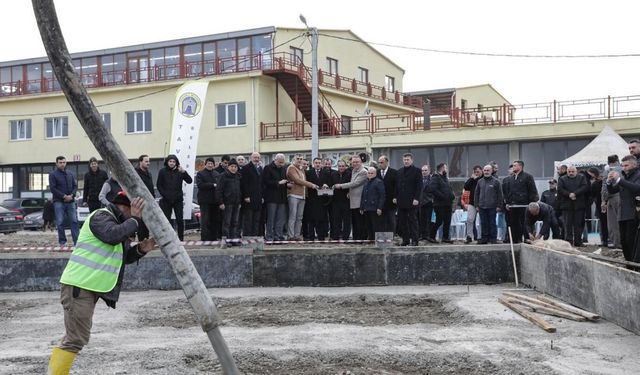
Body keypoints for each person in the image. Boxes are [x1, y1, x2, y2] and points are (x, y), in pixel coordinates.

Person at [46, 192, 155, 374]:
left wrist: (141, 250)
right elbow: (112, 236)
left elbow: (123, 257)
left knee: (76, 338)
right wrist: (135, 219)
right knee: (75, 339)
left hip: (89, 287)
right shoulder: (101, 216)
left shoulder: (119, 224)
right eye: (136, 211)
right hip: (79, 286)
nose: (139, 216)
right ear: (126, 207)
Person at [607, 155, 640, 262]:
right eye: (622, 165)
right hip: (622, 214)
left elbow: (636, 188)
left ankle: (635, 264)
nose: (624, 168)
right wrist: (609, 182)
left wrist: (619, 180)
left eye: (626, 165)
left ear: (634, 165)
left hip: (634, 213)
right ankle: (629, 263)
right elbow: (613, 191)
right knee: (624, 241)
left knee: (632, 241)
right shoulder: (624, 176)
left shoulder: (638, 175)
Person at [156, 154, 193, 241]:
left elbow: (190, 181)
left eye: (174, 161)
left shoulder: (180, 171)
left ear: (176, 163)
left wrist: (184, 172)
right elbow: (159, 185)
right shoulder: (162, 171)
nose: (172, 163)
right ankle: (168, 238)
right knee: (167, 221)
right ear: (167, 162)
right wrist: (165, 195)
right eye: (170, 161)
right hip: (166, 200)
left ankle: (181, 238)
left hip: (178, 200)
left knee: (179, 220)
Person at [502, 160, 538, 244]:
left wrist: (531, 203)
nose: (513, 167)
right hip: (513, 205)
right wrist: (507, 202)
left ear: (520, 166)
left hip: (524, 205)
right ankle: (516, 240)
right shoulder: (510, 179)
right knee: (514, 224)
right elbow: (508, 192)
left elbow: (532, 191)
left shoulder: (528, 177)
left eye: (515, 165)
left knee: (525, 223)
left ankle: (526, 239)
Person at [334, 155, 368, 240]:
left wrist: (340, 186)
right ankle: (356, 238)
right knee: (355, 222)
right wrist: (349, 192)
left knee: (360, 222)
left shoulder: (363, 171)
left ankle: (361, 239)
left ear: (360, 162)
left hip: (359, 200)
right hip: (352, 200)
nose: (355, 164)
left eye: (357, 162)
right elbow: (352, 184)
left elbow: (355, 183)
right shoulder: (354, 170)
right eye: (353, 162)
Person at [49, 156, 80, 246]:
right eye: (60, 162)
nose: (62, 164)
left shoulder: (70, 174)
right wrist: (64, 196)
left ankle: (76, 242)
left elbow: (75, 186)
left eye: (64, 162)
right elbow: (53, 188)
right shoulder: (53, 174)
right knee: (60, 222)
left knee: (74, 221)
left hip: (71, 202)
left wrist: (72, 195)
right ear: (56, 163)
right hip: (59, 201)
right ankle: (62, 242)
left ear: (66, 163)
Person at [286, 154, 318, 240]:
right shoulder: (291, 168)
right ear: (293, 159)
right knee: (292, 216)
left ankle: (296, 235)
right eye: (298, 159)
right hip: (293, 194)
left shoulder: (301, 169)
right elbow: (297, 180)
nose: (299, 160)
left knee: (299, 217)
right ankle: (290, 235)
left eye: (301, 159)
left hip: (302, 196)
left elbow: (303, 181)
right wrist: (311, 185)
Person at [393, 153, 422, 246]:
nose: (406, 161)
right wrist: (395, 197)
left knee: (413, 221)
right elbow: (396, 186)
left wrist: (416, 198)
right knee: (402, 221)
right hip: (401, 200)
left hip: (412, 201)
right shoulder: (399, 171)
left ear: (412, 160)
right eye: (404, 159)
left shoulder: (417, 171)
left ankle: (415, 240)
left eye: (408, 159)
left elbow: (419, 186)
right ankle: (405, 240)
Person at [558, 165, 588, 246]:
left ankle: (578, 241)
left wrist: (575, 193)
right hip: (566, 205)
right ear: (567, 172)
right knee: (567, 225)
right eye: (569, 172)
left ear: (576, 171)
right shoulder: (562, 178)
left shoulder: (581, 177)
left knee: (578, 224)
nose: (571, 173)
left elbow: (584, 187)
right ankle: (569, 242)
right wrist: (569, 194)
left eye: (572, 171)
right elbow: (560, 189)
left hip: (579, 204)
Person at [474, 165, 503, 244]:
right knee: (483, 223)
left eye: (488, 170)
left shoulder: (496, 182)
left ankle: (493, 238)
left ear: (491, 171)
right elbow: (476, 194)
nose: (486, 172)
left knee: (492, 223)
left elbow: (500, 195)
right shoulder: (480, 181)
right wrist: (476, 205)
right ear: (483, 171)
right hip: (482, 206)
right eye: (485, 170)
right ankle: (484, 238)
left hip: (492, 207)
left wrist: (499, 205)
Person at [262, 154, 288, 241]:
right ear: (275, 160)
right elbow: (266, 181)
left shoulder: (283, 169)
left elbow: (284, 180)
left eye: (282, 162)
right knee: (271, 218)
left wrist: (287, 184)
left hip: (282, 197)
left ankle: (278, 235)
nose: (281, 164)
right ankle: (269, 236)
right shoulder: (268, 168)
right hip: (271, 197)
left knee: (280, 219)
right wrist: (278, 183)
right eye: (280, 162)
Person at [305, 157, 331, 240]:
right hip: (311, 198)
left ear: (322, 164)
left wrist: (326, 185)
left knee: (321, 219)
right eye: (316, 163)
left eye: (319, 163)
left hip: (321, 199)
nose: (317, 164)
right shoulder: (308, 173)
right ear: (313, 164)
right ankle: (311, 237)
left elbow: (329, 183)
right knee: (311, 219)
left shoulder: (326, 173)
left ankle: (321, 236)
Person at [217, 158, 242, 243]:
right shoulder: (223, 176)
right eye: (232, 166)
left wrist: (239, 202)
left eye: (235, 166)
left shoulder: (238, 176)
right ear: (228, 167)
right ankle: (226, 240)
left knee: (235, 222)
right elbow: (219, 190)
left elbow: (240, 190)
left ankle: (233, 239)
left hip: (236, 202)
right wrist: (220, 202)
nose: (233, 168)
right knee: (226, 223)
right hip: (227, 203)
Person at [428, 163, 455, 243]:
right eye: (445, 168)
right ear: (442, 168)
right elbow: (432, 189)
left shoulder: (445, 178)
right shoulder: (435, 177)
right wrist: (442, 196)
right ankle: (431, 236)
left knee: (447, 221)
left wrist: (452, 195)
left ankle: (445, 238)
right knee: (439, 221)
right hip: (439, 204)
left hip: (448, 203)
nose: (446, 170)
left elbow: (449, 188)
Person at [196, 157, 221, 241]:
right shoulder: (200, 174)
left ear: (214, 165)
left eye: (211, 164)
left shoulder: (217, 174)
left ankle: (214, 237)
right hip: (204, 201)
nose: (210, 165)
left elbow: (220, 186)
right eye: (208, 163)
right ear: (205, 164)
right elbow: (200, 185)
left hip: (215, 201)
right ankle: (205, 238)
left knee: (214, 220)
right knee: (205, 220)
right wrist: (213, 185)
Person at [241, 152, 263, 236]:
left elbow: (261, 183)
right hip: (249, 198)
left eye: (258, 157)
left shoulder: (260, 168)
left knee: (257, 219)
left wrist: (262, 196)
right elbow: (244, 183)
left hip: (258, 197)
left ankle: (255, 236)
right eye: (255, 157)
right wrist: (246, 196)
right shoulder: (246, 168)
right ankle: (247, 237)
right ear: (251, 158)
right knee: (248, 219)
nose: (256, 159)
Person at [601, 155, 621, 248]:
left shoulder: (608, 170)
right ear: (617, 160)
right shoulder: (623, 169)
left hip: (612, 198)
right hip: (623, 197)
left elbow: (605, 187)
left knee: (613, 223)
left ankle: (617, 243)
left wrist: (603, 201)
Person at [360, 167, 385, 240]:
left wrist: (380, 207)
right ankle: (370, 238)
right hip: (366, 208)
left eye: (372, 173)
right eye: (369, 173)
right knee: (368, 225)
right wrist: (362, 207)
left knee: (376, 225)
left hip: (374, 208)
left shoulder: (378, 182)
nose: (370, 174)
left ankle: (376, 239)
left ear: (375, 174)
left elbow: (382, 195)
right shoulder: (366, 182)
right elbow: (363, 195)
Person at [330, 160, 352, 240]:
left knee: (347, 221)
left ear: (345, 166)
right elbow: (330, 185)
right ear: (337, 167)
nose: (341, 168)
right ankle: (336, 237)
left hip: (346, 201)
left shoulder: (350, 174)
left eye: (343, 166)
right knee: (336, 220)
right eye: (340, 166)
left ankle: (345, 237)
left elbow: (352, 185)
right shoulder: (333, 174)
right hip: (336, 201)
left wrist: (350, 192)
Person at [134, 154, 154, 241]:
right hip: (140, 201)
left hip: (149, 201)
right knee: (140, 221)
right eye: (146, 161)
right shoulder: (135, 173)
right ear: (140, 162)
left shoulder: (149, 173)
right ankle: (142, 240)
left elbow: (151, 187)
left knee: (148, 222)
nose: (148, 163)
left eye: (149, 161)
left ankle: (146, 238)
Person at [377, 155, 397, 233]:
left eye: (382, 162)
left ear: (387, 162)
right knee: (381, 220)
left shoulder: (394, 172)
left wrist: (395, 197)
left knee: (391, 220)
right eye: (379, 163)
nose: (380, 164)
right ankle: (383, 237)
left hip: (391, 201)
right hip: (380, 201)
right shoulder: (377, 172)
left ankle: (391, 236)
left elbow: (396, 186)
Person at [462, 165, 482, 243]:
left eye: (478, 172)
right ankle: (469, 236)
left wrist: (476, 179)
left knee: (480, 221)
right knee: (470, 219)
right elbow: (466, 187)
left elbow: (480, 186)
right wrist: (471, 178)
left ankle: (480, 237)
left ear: (481, 171)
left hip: (481, 203)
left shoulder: (483, 179)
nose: (476, 173)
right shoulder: (472, 179)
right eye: (475, 172)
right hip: (472, 203)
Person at [419, 165, 435, 243]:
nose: (424, 172)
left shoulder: (432, 179)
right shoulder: (419, 179)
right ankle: (422, 235)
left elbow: (434, 190)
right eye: (422, 171)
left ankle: (428, 235)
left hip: (429, 202)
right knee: (421, 219)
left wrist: (431, 199)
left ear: (429, 171)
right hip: (420, 202)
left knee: (429, 219)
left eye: (425, 170)